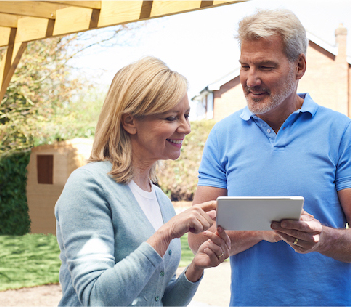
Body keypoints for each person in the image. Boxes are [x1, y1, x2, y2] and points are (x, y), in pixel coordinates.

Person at [188, 9, 351, 307]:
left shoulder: (339, 131)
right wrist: (259, 231)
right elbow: (198, 239)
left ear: (299, 65)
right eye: (245, 66)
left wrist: (323, 239)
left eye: (265, 67)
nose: (251, 80)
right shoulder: (223, 136)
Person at [55, 56, 231, 307]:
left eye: (186, 116)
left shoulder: (158, 198)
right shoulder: (88, 186)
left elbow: (157, 300)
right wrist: (166, 233)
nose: (186, 128)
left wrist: (194, 269)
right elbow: (97, 298)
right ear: (129, 121)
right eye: (171, 118)